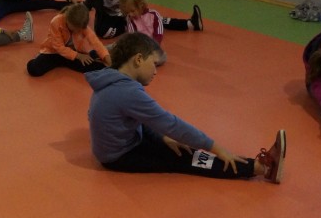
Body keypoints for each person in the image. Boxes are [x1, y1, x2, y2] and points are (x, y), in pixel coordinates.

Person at [86, 32, 285, 182]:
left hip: (126, 139)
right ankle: (261, 169)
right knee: (185, 159)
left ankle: (255, 166)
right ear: (138, 59)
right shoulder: (127, 91)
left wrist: (162, 138)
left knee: (178, 145)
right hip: (119, 156)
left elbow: (133, 119)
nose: (156, 71)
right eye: (154, 63)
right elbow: (172, 124)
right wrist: (217, 148)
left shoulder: (109, 78)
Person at [118, 0, 203, 66]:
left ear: (140, 5)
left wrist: (154, 46)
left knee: (160, 58)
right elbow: (133, 37)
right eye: (127, 13)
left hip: (152, 47)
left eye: (132, 11)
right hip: (140, 48)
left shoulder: (153, 15)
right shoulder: (130, 20)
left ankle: (191, 23)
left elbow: (158, 33)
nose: (130, 14)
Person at [27, 3, 111, 77]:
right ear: (67, 19)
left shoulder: (82, 25)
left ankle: (108, 66)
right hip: (54, 52)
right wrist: (79, 56)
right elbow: (58, 47)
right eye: (75, 29)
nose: (77, 31)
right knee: (34, 70)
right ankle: (38, 58)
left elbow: (95, 42)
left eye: (79, 29)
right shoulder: (56, 22)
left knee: (97, 67)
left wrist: (106, 56)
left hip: (73, 53)